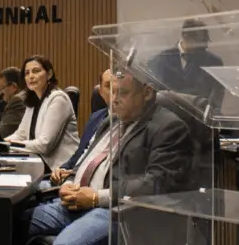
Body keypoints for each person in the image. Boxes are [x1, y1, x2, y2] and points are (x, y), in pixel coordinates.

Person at [25, 71, 193, 245]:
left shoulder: (168, 127)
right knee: (9, 223)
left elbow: (156, 183)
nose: (114, 99)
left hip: (116, 211)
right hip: (77, 202)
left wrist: (96, 197)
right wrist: (69, 183)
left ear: (147, 92)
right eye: (111, 91)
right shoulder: (110, 120)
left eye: (123, 93)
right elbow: (84, 160)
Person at [5, 55, 80, 172]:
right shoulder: (33, 100)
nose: (31, 76)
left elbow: (44, 145)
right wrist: (0, 143)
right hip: (37, 164)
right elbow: (21, 134)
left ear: (49, 74)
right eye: (27, 73)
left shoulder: (58, 99)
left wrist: (10, 145)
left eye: (36, 71)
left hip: (59, 170)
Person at [49, 70, 113, 186]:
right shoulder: (96, 117)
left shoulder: (128, 123)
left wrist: (76, 173)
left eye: (120, 86)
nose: (115, 91)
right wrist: (62, 169)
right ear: (101, 92)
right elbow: (80, 153)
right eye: (109, 86)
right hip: (69, 181)